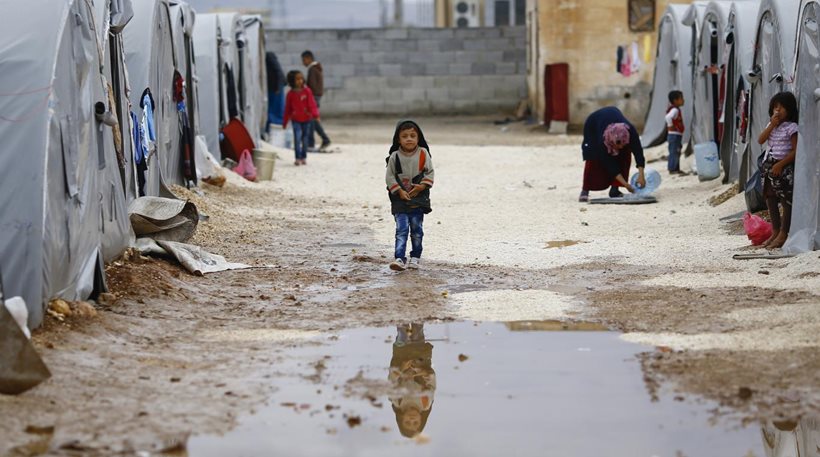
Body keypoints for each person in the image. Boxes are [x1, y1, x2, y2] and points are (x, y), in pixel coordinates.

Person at [385, 120, 434, 271]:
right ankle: (399, 258)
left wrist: (422, 187)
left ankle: (415, 257)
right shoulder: (394, 156)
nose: (409, 139)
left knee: (416, 230)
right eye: (404, 136)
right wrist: (399, 190)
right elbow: (390, 177)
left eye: (413, 135)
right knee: (401, 230)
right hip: (400, 200)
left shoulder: (423, 154)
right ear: (398, 139)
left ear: (418, 138)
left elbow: (430, 173)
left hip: (418, 199)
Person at [578, 106, 647, 202]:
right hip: (593, 125)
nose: (620, 148)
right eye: (618, 145)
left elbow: (638, 152)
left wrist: (641, 175)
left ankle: (615, 190)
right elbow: (609, 164)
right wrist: (626, 185)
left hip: (613, 118)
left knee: (624, 155)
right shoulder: (603, 140)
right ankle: (585, 190)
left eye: (623, 144)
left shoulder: (630, 133)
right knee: (593, 158)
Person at [757, 91, 799, 249]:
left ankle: (783, 233)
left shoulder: (792, 127)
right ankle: (775, 230)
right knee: (770, 197)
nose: (778, 111)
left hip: (783, 167)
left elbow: (796, 150)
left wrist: (781, 164)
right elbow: (761, 140)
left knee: (785, 199)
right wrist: (772, 125)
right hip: (770, 165)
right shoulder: (772, 125)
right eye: (775, 107)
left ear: (789, 109)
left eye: (781, 107)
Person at [388, 323, 435, 439]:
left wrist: (401, 369)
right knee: (418, 332)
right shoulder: (425, 404)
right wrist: (424, 372)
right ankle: (418, 311)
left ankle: (401, 311)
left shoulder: (397, 402)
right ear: (421, 419)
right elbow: (431, 382)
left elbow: (391, 381)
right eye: (415, 423)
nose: (412, 419)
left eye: (407, 422)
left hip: (401, 358)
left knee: (402, 333)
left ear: (401, 418)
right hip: (420, 358)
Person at [282, 70, 319, 166]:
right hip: (296, 120)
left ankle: (304, 157)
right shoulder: (290, 94)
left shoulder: (307, 91)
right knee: (297, 138)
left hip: (307, 119)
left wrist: (315, 115)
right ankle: (297, 157)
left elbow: (312, 104)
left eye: (301, 78)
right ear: (292, 81)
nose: (300, 81)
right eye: (297, 79)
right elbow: (287, 109)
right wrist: (285, 122)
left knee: (305, 139)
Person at [301, 50, 332, 151]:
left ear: (309, 58)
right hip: (316, 96)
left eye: (304, 60)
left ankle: (320, 140)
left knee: (312, 120)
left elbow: (312, 86)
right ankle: (314, 142)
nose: (303, 63)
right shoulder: (316, 68)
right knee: (312, 120)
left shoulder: (312, 70)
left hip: (313, 97)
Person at [665, 90, 685, 175]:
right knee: (674, 151)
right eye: (681, 98)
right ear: (675, 100)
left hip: (676, 135)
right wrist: (670, 125)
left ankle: (676, 168)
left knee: (676, 151)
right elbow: (668, 117)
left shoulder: (676, 109)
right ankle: (673, 169)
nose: (683, 100)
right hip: (674, 135)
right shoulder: (675, 110)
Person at [266, 52, 286, 127]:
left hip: (275, 88)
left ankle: (277, 124)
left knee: (277, 108)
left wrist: (278, 87)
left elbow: (278, 71)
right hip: (273, 87)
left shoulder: (268, 56)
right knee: (272, 108)